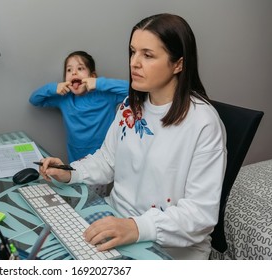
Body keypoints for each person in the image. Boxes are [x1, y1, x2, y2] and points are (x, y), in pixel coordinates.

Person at [38, 14, 227, 260]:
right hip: (115, 220)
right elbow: (107, 160)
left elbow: (199, 215)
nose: (134, 63)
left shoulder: (203, 123)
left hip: (167, 247)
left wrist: (136, 227)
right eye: (132, 52)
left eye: (147, 55)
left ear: (178, 64)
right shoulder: (131, 106)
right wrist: (70, 172)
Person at [29, 51, 129, 163]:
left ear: (92, 76)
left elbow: (133, 90)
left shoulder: (106, 95)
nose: (74, 73)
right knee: (78, 179)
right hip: (76, 156)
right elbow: (34, 99)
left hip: (105, 153)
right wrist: (54, 88)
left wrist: (98, 83)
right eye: (69, 70)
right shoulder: (64, 98)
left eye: (80, 69)